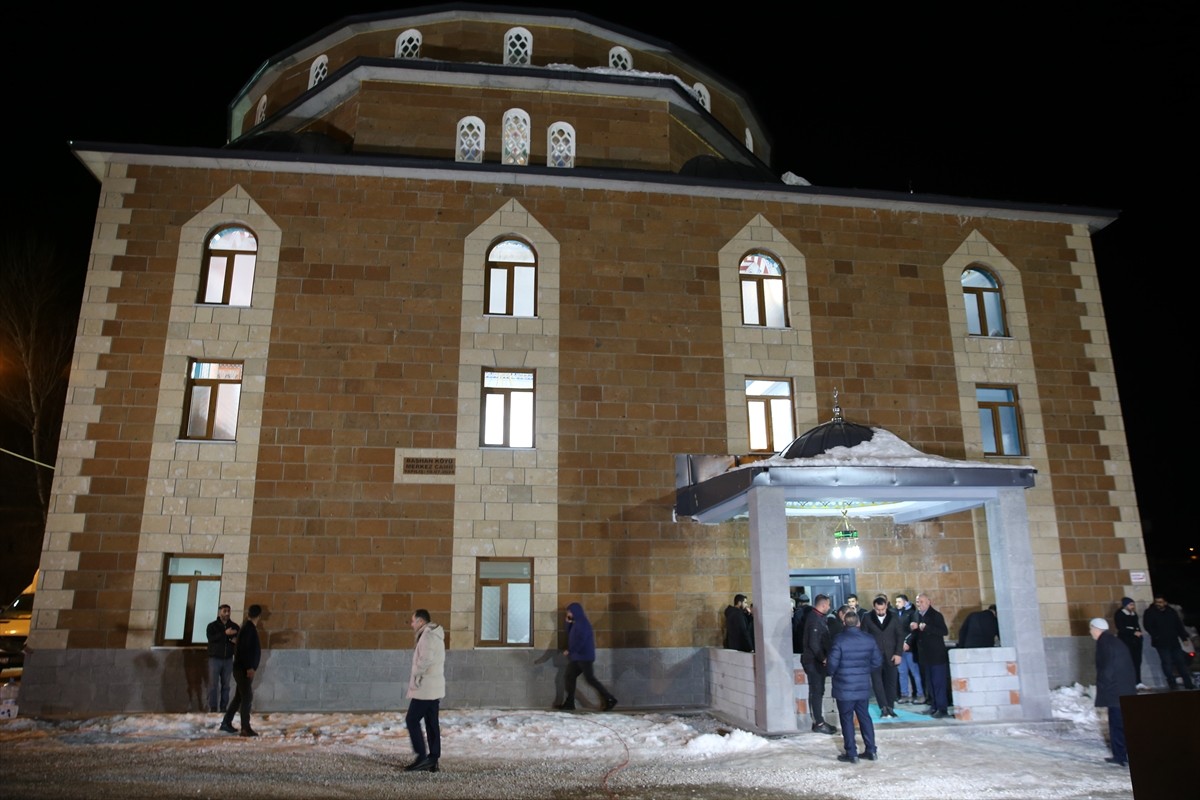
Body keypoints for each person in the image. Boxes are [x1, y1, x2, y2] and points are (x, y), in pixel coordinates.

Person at [828, 611, 882, 763]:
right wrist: (864, 670)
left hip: (844, 686)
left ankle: (851, 753)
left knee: (846, 719)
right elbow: (877, 661)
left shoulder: (839, 640)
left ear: (844, 623)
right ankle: (871, 750)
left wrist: (834, 673)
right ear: (858, 623)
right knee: (865, 717)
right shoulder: (869, 639)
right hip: (862, 685)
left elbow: (832, 664)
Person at [403, 608, 446, 773]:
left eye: (413, 621)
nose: (412, 624)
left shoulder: (427, 636)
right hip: (433, 687)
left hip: (426, 688)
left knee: (412, 720)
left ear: (421, 621)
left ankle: (422, 757)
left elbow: (425, 659)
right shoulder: (435, 635)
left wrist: (416, 674)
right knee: (431, 722)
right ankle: (433, 758)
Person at [1090, 618, 1136, 767]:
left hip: (1115, 690)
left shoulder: (1104, 643)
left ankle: (1120, 756)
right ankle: (1122, 754)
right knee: (1122, 723)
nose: (1091, 632)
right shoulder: (1114, 641)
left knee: (1117, 724)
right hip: (1124, 688)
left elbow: (1106, 669)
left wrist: (1102, 688)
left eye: (1091, 629)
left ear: (1096, 629)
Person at [558, 602, 617, 711]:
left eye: (569, 611)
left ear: (576, 612)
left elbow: (581, 640)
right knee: (570, 677)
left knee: (590, 679)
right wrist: (568, 622)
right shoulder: (576, 623)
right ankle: (570, 703)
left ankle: (610, 698)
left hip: (584, 656)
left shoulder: (582, 623)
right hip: (577, 657)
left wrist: (571, 650)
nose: (568, 613)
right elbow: (569, 633)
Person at [220, 604, 262, 737]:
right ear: (259, 616)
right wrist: (249, 667)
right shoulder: (249, 628)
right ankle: (245, 728)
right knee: (247, 697)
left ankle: (226, 722)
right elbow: (244, 650)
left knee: (239, 697)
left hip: (241, 668)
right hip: (243, 669)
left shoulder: (247, 627)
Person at [1141, 595, 1195, 690]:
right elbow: (1148, 626)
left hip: (1174, 641)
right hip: (1161, 643)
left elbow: (1178, 625)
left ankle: (1188, 683)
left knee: (1181, 662)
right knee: (1167, 663)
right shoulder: (1150, 612)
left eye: (1160, 602)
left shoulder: (1171, 612)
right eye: (1156, 602)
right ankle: (1172, 683)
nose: (1158, 604)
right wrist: (1156, 636)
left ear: (1165, 602)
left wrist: (1184, 638)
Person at [801, 594, 836, 734]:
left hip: (816, 662)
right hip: (814, 662)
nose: (829, 607)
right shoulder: (815, 620)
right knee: (816, 691)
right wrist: (823, 658)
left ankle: (819, 720)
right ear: (823, 605)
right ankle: (819, 722)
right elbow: (814, 643)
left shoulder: (818, 617)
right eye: (828, 604)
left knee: (819, 691)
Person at [863, 595, 904, 718]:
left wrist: (898, 653)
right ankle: (883, 707)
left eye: (882, 609)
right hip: (874, 657)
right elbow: (864, 637)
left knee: (891, 682)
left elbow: (900, 636)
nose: (880, 612)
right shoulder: (867, 617)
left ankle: (890, 707)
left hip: (891, 656)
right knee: (877, 683)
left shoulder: (894, 617)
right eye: (878, 610)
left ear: (886, 606)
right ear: (874, 607)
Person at [911, 593, 950, 718]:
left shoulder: (936, 615)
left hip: (936, 655)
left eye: (922, 602)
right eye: (917, 602)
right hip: (925, 656)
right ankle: (933, 706)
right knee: (929, 683)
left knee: (938, 682)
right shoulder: (916, 615)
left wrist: (927, 628)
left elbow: (944, 631)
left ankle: (942, 708)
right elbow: (917, 634)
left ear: (929, 602)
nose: (919, 604)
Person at [205, 603, 239, 713]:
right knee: (213, 684)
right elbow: (211, 638)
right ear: (220, 612)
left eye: (228, 611)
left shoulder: (234, 626)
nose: (227, 613)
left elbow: (238, 640)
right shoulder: (212, 626)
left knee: (226, 685)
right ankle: (213, 707)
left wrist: (235, 641)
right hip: (215, 658)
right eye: (225, 611)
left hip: (228, 659)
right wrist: (225, 633)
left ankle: (224, 707)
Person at [893, 594, 924, 704]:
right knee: (902, 672)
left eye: (899, 602)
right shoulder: (895, 613)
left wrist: (907, 643)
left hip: (910, 648)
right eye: (896, 602)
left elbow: (914, 631)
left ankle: (920, 694)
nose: (897, 604)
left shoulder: (912, 613)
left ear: (905, 602)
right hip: (899, 648)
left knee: (915, 672)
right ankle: (904, 694)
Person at [1112, 597, 1146, 689]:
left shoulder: (1134, 614)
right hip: (1126, 641)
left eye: (1133, 604)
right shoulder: (1120, 614)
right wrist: (1133, 632)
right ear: (1125, 605)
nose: (1132, 606)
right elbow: (1121, 628)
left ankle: (1138, 681)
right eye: (1130, 605)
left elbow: (1136, 625)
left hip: (1136, 641)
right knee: (1127, 662)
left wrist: (1139, 634)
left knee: (1137, 661)